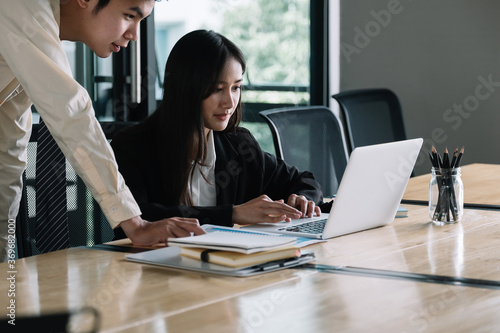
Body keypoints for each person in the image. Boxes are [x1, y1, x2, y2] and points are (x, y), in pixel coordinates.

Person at [0, 0, 205, 261]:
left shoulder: (30, 41)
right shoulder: (20, 5)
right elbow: (71, 111)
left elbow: (8, 146)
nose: (134, 34)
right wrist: (135, 224)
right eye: (130, 15)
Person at [111, 29, 327, 239]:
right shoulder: (132, 147)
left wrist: (302, 199)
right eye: (217, 89)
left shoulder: (239, 144)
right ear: (186, 88)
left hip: (225, 266)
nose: (230, 102)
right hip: (151, 266)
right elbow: (137, 220)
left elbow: (303, 180)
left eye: (236, 87)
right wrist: (233, 213)